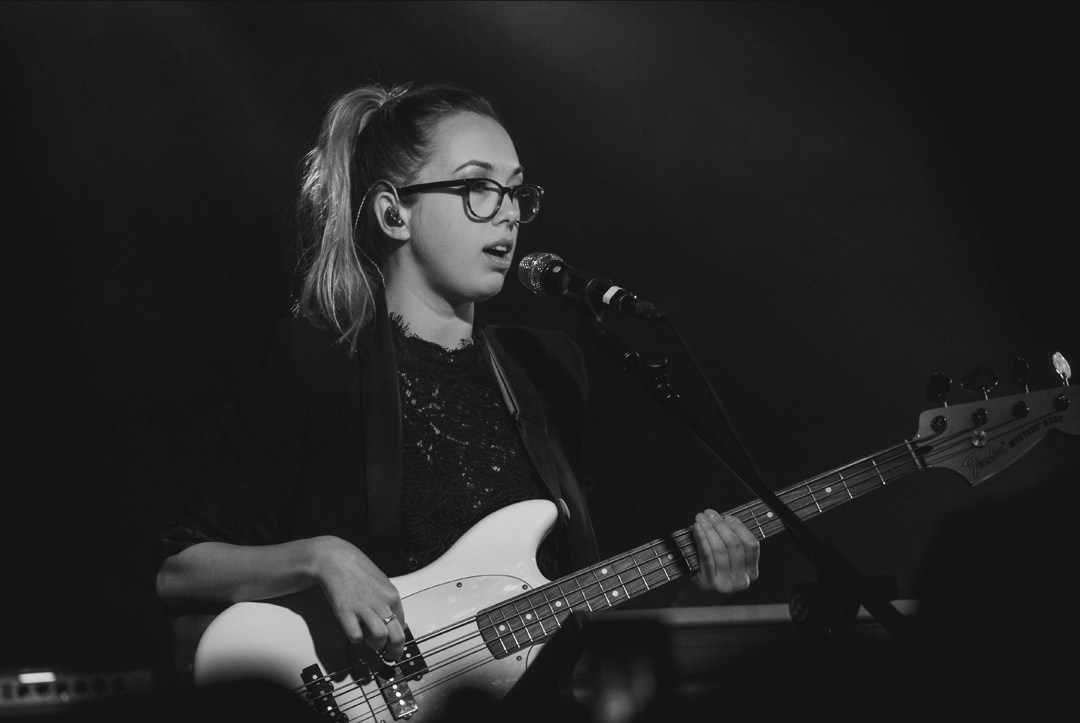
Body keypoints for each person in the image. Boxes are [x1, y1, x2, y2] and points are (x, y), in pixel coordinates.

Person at [155, 80, 760, 687]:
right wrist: (320, 558)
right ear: (395, 212)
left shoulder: (549, 368)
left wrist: (697, 595)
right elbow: (180, 569)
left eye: (517, 192)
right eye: (477, 187)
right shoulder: (317, 360)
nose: (508, 212)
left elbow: (564, 608)